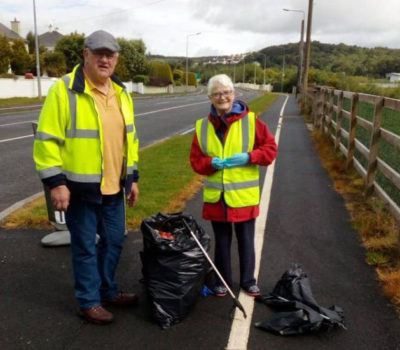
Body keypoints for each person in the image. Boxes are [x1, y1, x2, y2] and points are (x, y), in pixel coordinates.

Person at [33, 30, 139, 324]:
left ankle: (107, 289)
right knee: (84, 248)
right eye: (99, 53)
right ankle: (88, 301)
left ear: (116, 59)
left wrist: (133, 178)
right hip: (79, 189)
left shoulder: (121, 92)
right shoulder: (64, 89)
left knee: (115, 240)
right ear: (86, 55)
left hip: (114, 187)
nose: (105, 59)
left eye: (111, 54)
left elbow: (130, 140)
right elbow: (46, 140)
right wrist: (56, 183)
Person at [190, 74, 277, 297]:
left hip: (243, 197)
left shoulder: (251, 121)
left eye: (226, 92)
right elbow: (196, 161)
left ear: (234, 94)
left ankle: (248, 281)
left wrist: (249, 157)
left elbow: (270, 150)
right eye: (217, 93)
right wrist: (210, 163)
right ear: (210, 97)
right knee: (222, 241)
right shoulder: (202, 127)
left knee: (246, 240)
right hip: (217, 197)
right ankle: (223, 282)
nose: (222, 97)